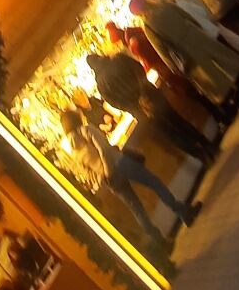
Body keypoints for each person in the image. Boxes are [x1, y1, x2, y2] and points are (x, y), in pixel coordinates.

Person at [60, 105, 200, 246]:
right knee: (153, 182)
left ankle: (160, 242)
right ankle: (182, 211)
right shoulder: (86, 130)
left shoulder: (72, 149)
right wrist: (108, 169)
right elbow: (104, 150)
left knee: (137, 209)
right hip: (119, 164)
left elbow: (87, 171)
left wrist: (103, 176)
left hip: (111, 180)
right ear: (76, 118)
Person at [127, 0, 239, 108]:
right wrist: (197, 26)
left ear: (137, 13)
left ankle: (237, 100)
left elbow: (161, 49)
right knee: (221, 56)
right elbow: (184, 14)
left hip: (185, 48)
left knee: (212, 73)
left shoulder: (148, 26)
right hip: (194, 32)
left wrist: (174, 67)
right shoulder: (161, 2)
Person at [87, 50, 218, 159]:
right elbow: (139, 68)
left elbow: (115, 103)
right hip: (152, 95)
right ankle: (206, 144)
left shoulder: (101, 86)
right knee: (178, 120)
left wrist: (135, 106)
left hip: (141, 112)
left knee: (170, 134)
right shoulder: (118, 58)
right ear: (99, 56)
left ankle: (201, 156)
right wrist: (143, 93)